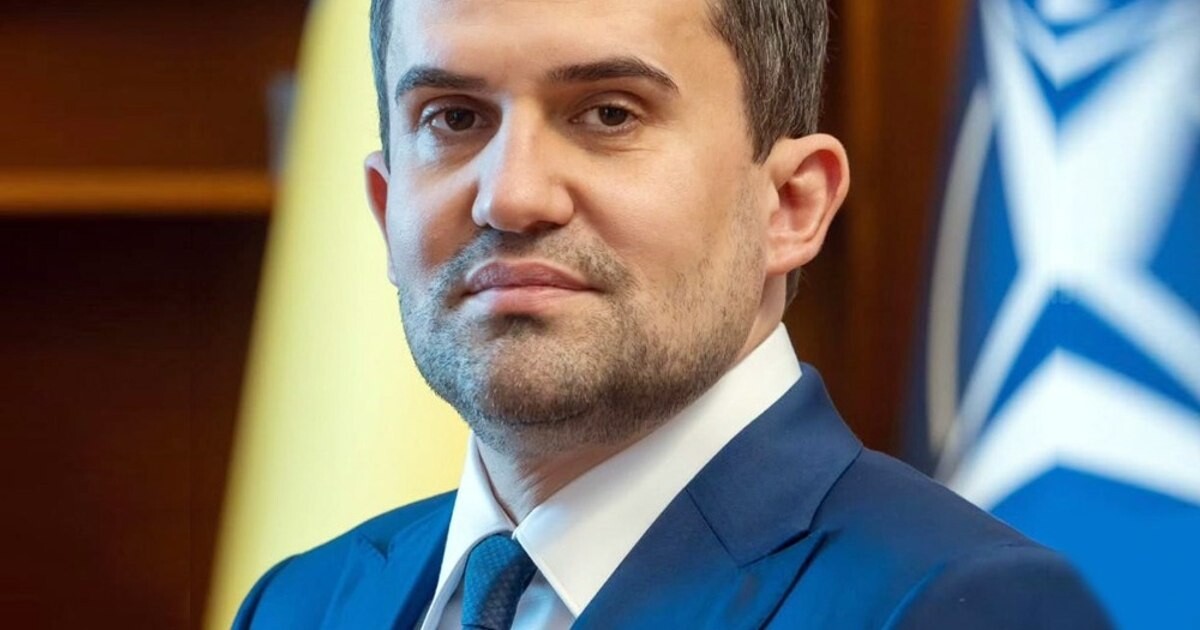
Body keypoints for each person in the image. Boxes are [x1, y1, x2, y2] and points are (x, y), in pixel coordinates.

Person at [234, 0, 1111, 627]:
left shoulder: (962, 606)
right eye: (454, 117)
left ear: (791, 205)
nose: (511, 196)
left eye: (608, 113)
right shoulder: (300, 604)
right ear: (385, 208)